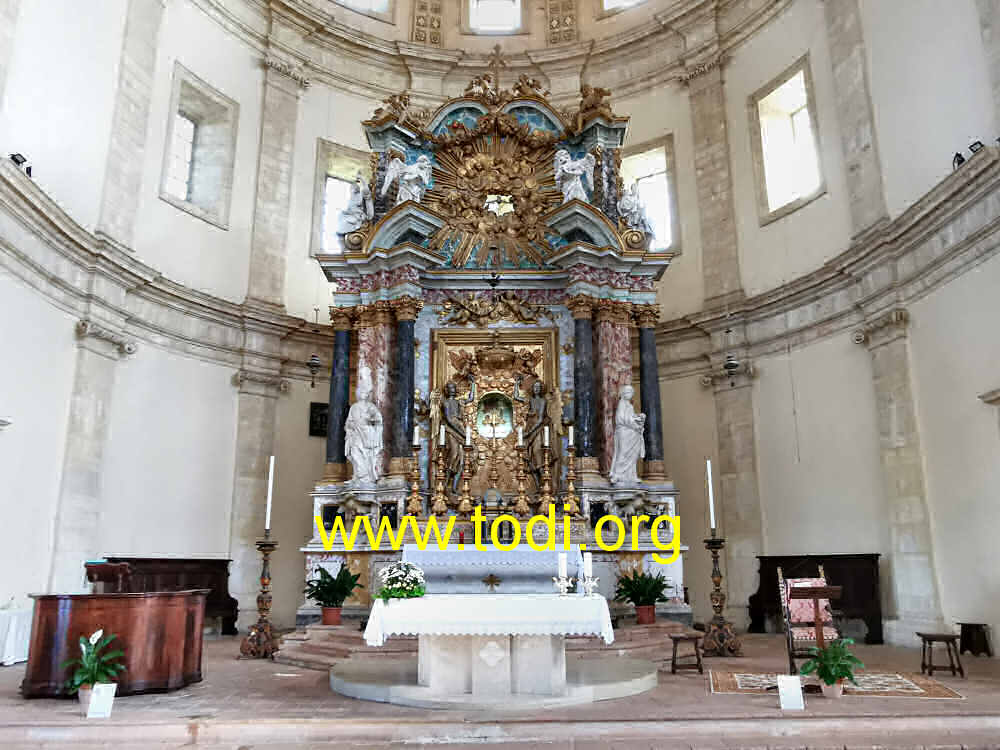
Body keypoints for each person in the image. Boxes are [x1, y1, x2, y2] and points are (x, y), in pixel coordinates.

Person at [344, 368, 383, 486]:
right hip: (356, 436)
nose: (363, 395)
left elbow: (379, 420)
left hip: (368, 436)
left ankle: (366, 478)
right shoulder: (354, 407)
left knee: (366, 456)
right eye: (361, 392)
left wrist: (369, 420)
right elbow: (348, 422)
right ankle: (359, 476)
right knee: (355, 453)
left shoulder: (371, 407)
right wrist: (350, 426)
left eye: (365, 393)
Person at [608, 384, 646, 486]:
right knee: (623, 453)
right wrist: (635, 421)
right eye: (627, 392)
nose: (630, 394)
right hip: (624, 432)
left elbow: (630, 417)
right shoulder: (622, 404)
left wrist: (638, 417)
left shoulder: (629, 405)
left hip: (632, 433)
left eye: (631, 393)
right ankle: (617, 474)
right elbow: (621, 419)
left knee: (632, 455)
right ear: (623, 394)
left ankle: (631, 475)